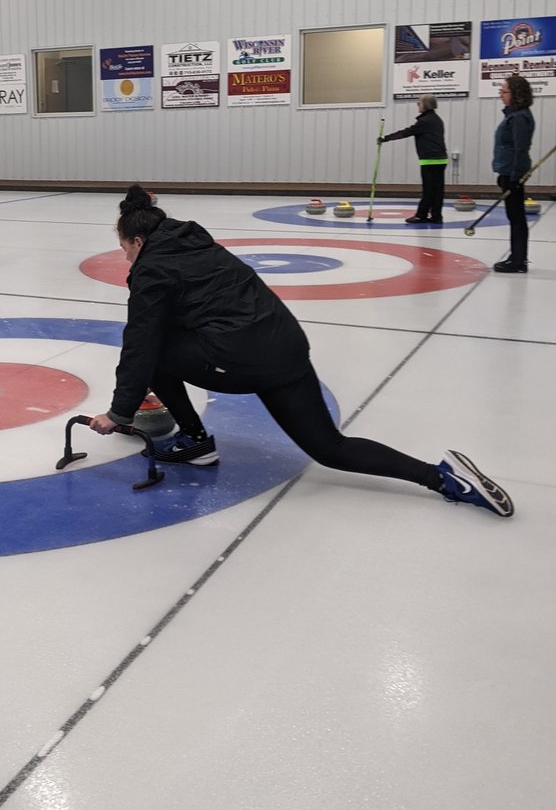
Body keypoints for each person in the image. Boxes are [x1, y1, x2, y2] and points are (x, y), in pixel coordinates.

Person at [88, 185, 513, 517]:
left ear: (138, 241)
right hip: (285, 345)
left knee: (153, 348)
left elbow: (140, 344)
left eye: (125, 249)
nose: (125, 259)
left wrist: (120, 413)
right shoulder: (197, 244)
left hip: (241, 357)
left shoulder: (151, 270)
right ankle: (442, 478)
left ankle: (196, 441)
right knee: (330, 447)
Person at [378, 94, 448, 223]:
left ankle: (421, 215)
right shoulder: (437, 119)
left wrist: (385, 138)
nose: (418, 106)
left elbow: (406, 132)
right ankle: (437, 216)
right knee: (437, 190)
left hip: (430, 160)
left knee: (428, 190)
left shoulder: (425, 121)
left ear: (425, 105)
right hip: (441, 159)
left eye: (419, 103)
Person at [492, 74, 535, 274]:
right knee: (514, 216)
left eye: (504, 91)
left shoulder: (519, 118)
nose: (501, 94)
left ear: (516, 94)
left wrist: (514, 178)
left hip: (513, 174)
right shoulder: (512, 115)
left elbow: (520, 149)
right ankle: (516, 257)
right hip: (507, 171)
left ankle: (518, 260)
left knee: (516, 217)